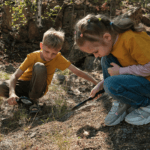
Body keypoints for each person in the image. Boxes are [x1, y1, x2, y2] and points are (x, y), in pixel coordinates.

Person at [74, 14, 150, 126]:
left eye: (95, 51)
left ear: (106, 37)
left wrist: (120, 72)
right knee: (106, 59)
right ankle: (123, 101)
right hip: (140, 80)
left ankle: (147, 106)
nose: (95, 56)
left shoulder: (132, 38)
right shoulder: (112, 43)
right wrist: (101, 84)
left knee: (110, 81)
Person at [0, 28, 98, 108]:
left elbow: (78, 72)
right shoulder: (33, 56)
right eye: (46, 51)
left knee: (40, 67)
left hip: (38, 89)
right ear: (41, 45)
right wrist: (12, 93)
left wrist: (97, 83)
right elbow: (15, 75)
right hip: (23, 85)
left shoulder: (58, 58)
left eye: (53, 53)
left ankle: (33, 101)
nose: (49, 56)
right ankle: (22, 100)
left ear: (59, 50)